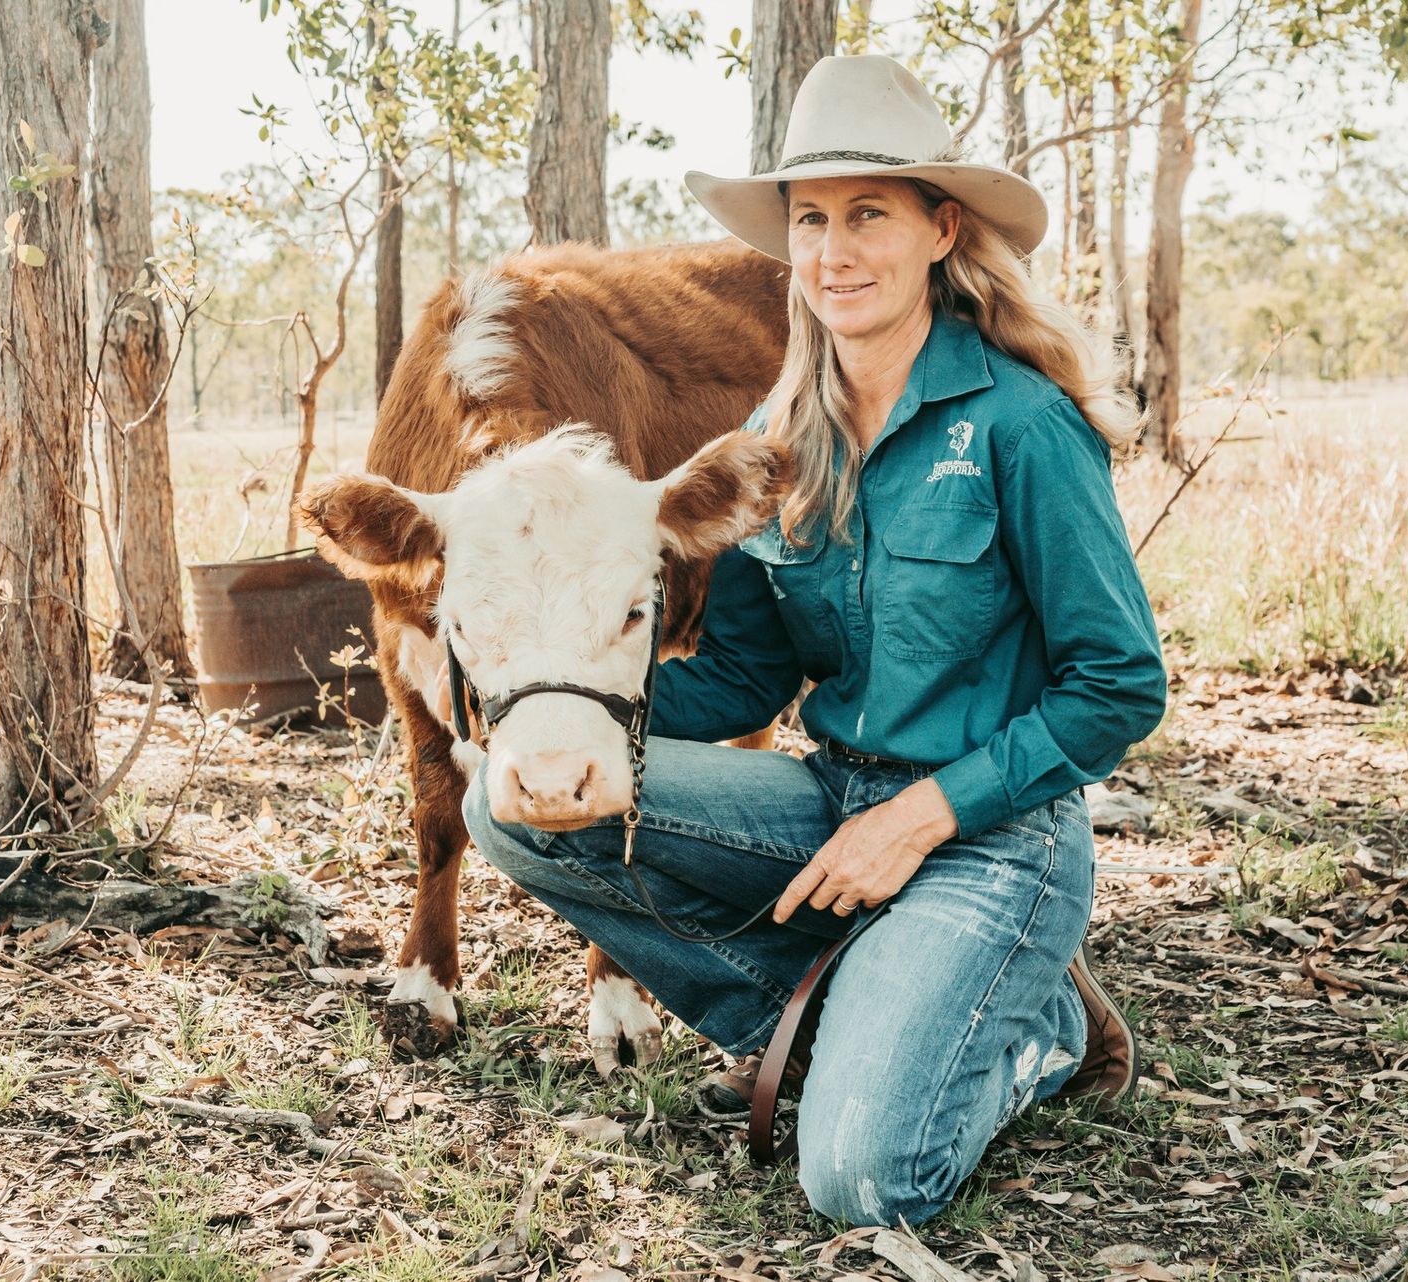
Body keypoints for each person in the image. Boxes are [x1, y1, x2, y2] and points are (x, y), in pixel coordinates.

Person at [457, 53, 1168, 1228]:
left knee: (861, 1180)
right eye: (811, 220)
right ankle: (849, 1019)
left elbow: (1119, 685)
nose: (833, 252)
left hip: (992, 842)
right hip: (830, 806)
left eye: (868, 216)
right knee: (507, 803)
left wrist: (924, 817)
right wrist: (550, 711)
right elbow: (743, 672)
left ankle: (1038, 1032)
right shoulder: (778, 439)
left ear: (942, 230)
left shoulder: (1021, 426)